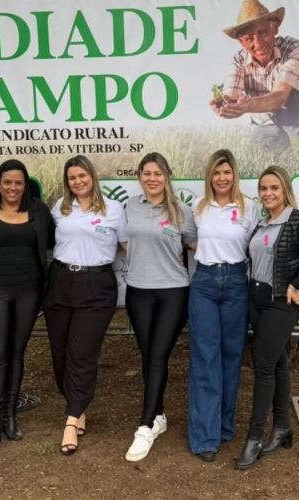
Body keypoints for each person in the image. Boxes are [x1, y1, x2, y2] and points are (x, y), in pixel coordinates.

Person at [235, 166, 299, 470]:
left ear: (285, 189)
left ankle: (253, 438)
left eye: (274, 187)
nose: (268, 193)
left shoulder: (298, 220)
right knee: (277, 364)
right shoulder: (262, 223)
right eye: (263, 188)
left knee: (262, 365)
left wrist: (296, 284)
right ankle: (282, 428)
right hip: (256, 300)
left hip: (280, 303)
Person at [45, 155, 127, 455]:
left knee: (82, 353)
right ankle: (77, 407)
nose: (77, 181)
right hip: (60, 281)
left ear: (92, 176)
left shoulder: (115, 210)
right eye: (71, 178)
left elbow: (129, 246)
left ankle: (69, 421)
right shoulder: (60, 208)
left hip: (97, 285)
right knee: (59, 352)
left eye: (82, 176)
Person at [0, 159, 55, 454]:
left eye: (18, 183)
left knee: (18, 353)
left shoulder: (39, 211)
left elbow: (56, 241)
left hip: (29, 289)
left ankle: (11, 416)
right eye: (7, 182)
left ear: (26, 185)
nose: (13, 187)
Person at [187, 149, 260, 462]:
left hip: (235, 283)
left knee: (231, 357)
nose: (221, 178)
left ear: (235, 175)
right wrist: (209, 249)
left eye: (226, 172)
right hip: (203, 283)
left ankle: (223, 425)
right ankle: (204, 437)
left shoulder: (250, 208)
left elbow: (257, 246)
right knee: (205, 356)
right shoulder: (198, 207)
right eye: (216, 173)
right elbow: (191, 239)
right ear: (209, 176)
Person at [123, 152, 197, 462]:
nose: (151, 178)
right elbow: (124, 241)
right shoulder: (130, 207)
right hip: (138, 290)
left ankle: (145, 425)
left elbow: (195, 245)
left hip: (173, 292)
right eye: (146, 173)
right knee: (148, 356)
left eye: (157, 173)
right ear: (140, 176)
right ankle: (160, 414)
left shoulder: (182, 211)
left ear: (167, 176)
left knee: (157, 356)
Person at [210, 0, 299, 155]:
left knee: (292, 97)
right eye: (249, 39)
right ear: (241, 42)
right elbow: (233, 93)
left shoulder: (293, 47)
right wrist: (226, 104)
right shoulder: (237, 61)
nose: (259, 44)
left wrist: (247, 105)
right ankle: (283, 144)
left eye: (262, 33)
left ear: (274, 28)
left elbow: (281, 95)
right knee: (261, 158)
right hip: (264, 121)